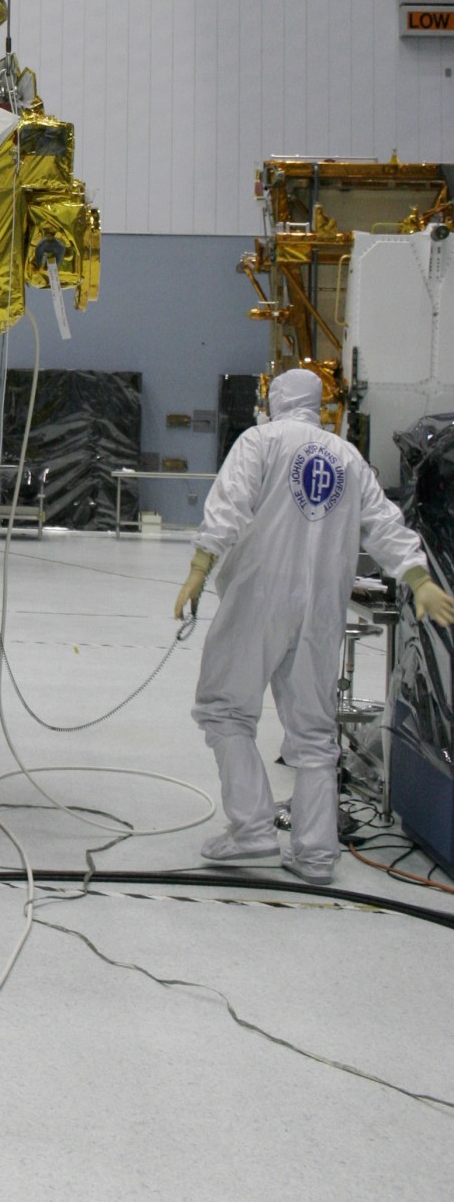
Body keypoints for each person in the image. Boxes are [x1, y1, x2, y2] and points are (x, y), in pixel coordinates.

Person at [177, 367, 454, 885]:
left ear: (275, 399)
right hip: (323, 605)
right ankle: (315, 852)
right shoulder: (347, 456)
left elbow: (228, 507)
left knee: (224, 709)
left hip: (258, 596)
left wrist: (198, 569)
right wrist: (419, 579)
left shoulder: (260, 440)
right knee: (314, 731)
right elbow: (385, 525)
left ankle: (252, 828)